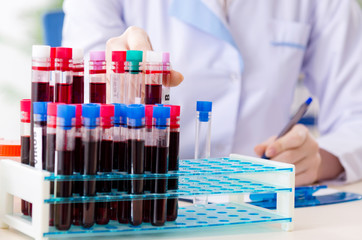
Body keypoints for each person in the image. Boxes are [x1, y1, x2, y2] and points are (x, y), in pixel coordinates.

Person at [62, 0, 362, 186]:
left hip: (261, 204)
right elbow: (72, 116)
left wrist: (317, 160)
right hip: (145, 200)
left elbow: (357, 116)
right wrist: (114, 80)